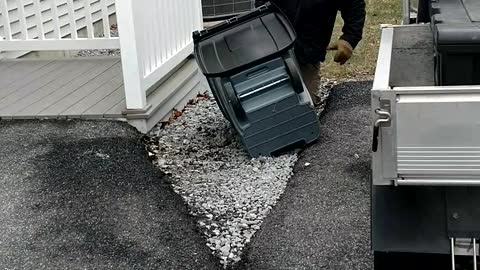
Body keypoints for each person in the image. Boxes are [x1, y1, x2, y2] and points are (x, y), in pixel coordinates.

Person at [256, 0, 366, 105]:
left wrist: (349, 38)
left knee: (305, 105)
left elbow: (354, 5)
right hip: (270, 47)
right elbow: (261, 5)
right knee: (265, 103)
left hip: (308, 52)